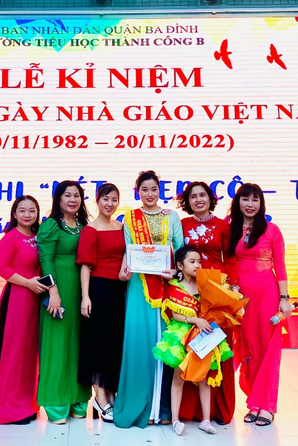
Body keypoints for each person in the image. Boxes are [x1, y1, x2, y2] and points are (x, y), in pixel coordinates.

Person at [113, 170, 183, 428]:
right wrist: (124, 270)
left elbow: (181, 248)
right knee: (139, 342)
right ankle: (140, 405)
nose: (150, 194)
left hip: (165, 285)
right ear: (138, 192)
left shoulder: (171, 216)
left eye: (154, 189)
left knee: (167, 345)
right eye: (145, 190)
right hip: (138, 286)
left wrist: (174, 271)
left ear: (160, 190)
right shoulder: (130, 217)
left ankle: (164, 408)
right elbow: (129, 250)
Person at [0, 195, 47, 425]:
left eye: (32, 211)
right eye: (22, 210)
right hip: (17, 299)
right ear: (14, 214)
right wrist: (28, 282)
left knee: (29, 353)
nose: (27, 215)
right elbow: (2, 269)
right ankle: (8, 407)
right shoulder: (10, 238)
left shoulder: (38, 237)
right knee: (12, 354)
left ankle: (26, 403)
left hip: (35, 301)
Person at [227, 183, 292, 427]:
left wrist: (284, 299)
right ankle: (254, 403)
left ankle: (267, 406)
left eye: (255, 200)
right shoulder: (230, 227)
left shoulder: (272, 230)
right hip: (240, 297)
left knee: (268, 349)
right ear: (238, 202)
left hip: (267, 294)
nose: (250, 205)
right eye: (245, 199)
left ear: (261, 203)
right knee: (247, 349)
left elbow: (281, 267)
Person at [154, 246, 233, 436]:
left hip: (204, 334)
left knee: (205, 376)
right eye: (192, 262)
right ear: (180, 265)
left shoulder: (206, 284)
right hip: (182, 334)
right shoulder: (175, 286)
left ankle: (206, 420)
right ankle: (175, 420)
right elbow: (174, 314)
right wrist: (194, 320)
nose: (197, 265)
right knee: (178, 376)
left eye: (199, 261)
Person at [177, 181, 237, 425]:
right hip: (190, 290)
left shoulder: (223, 226)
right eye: (193, 196)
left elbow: (230, 258)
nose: (198, 200)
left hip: (217, 291)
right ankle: (189, 411)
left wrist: (231, 286)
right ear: (187, 201)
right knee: (190, 344)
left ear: (211, 198)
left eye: (203, 195)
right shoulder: (182, 224)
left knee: (216, 346)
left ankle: (217, 410)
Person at [37, 180, 91, 424]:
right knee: (57, 347)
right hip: (58, 292)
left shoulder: (83, 226)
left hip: (81, 291)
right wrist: (53, 293)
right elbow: (46, 262)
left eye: (77, 195)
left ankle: (78, 401)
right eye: (67, 195)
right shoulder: (50, 225)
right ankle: (56, 404)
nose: (73, 199)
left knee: (78, 346)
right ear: (58, 199)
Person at [77, 183, 129, 423]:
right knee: (98, 342)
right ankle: (99, 397)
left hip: (120, 289)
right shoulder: (90, 229)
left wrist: (123, 269)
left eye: (114, 199)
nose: (110, 204)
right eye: (106, 199)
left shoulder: (121, 226)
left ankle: (109, 393)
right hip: (98, 289)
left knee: (114, 342)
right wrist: (85, 296)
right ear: (97, 201)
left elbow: (128, 253)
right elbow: (85, 265)